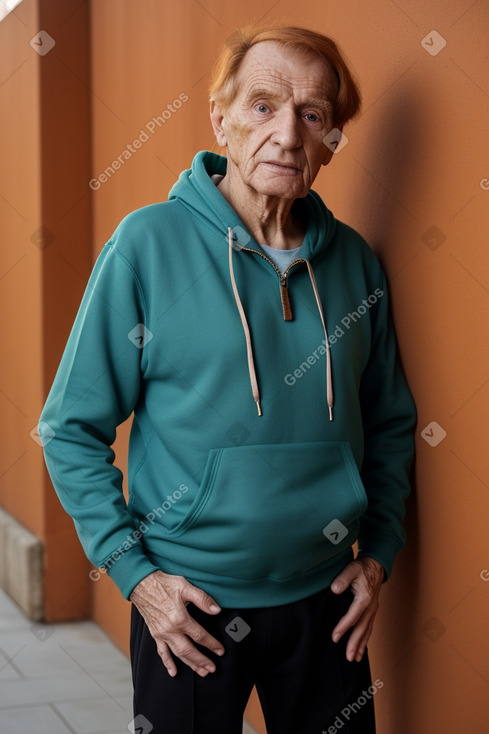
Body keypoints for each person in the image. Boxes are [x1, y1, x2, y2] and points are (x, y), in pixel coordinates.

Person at [38, 24, 416, 734]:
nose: (287, 135)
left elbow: (391, 421)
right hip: (190, 605)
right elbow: (69, 429)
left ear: (331, 136)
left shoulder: (355, 264)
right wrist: (136, 578)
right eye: (262, 106)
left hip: (329, 603)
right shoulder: (146, 244)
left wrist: (380, 558)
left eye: (312, 114)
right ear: (221, 118)